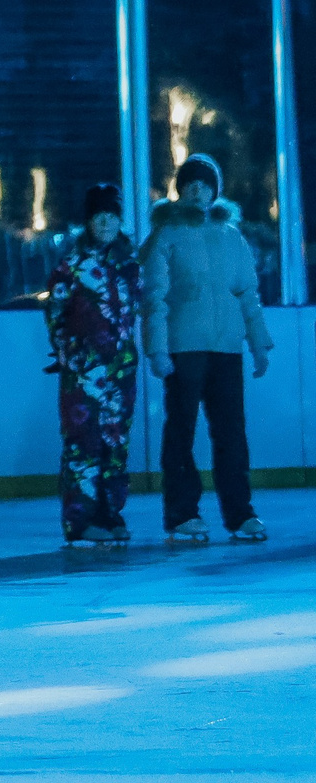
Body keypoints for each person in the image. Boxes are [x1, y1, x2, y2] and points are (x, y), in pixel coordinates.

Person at [140, 154, 273, 543]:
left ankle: (240, 513)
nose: (198, 190)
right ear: (181, 191)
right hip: (184, 348)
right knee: (181, 431)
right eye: (191, 184)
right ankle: (183, 514)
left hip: (226, 349)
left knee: (231, 432)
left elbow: (247, 293)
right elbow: (154, 299)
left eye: (205, 184)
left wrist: (259, 344)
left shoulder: (231, 237)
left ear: (216, 190)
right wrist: (157, 350)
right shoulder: (166, 236)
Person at [45, 183, 141, 546]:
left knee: (115, 444)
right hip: (83, 374)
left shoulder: (129, 266)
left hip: (121, 372)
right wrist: (69, 352)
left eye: (112, 216)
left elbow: (134, 312)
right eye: (99, 216)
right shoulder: (71, 266)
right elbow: (55, 313)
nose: (105, 222)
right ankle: (80, 521)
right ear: (88, 221)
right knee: (83, 445)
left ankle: (110, 512)